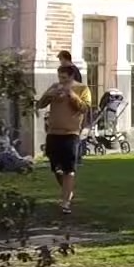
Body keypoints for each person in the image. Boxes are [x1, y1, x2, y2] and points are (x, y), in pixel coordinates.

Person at [37, 63, 91, 216]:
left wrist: (71, 95)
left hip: (71, 133)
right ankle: (69, 191)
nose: (61, 81)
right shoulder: (55, 86)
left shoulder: (82, 89)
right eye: (59, 77)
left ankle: (65, 201)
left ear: (71, 76)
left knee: (69, 169)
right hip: (54, 132)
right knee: (56, 167)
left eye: (64, 78)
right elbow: (40, 105)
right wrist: (48, 95)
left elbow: (85, 108)